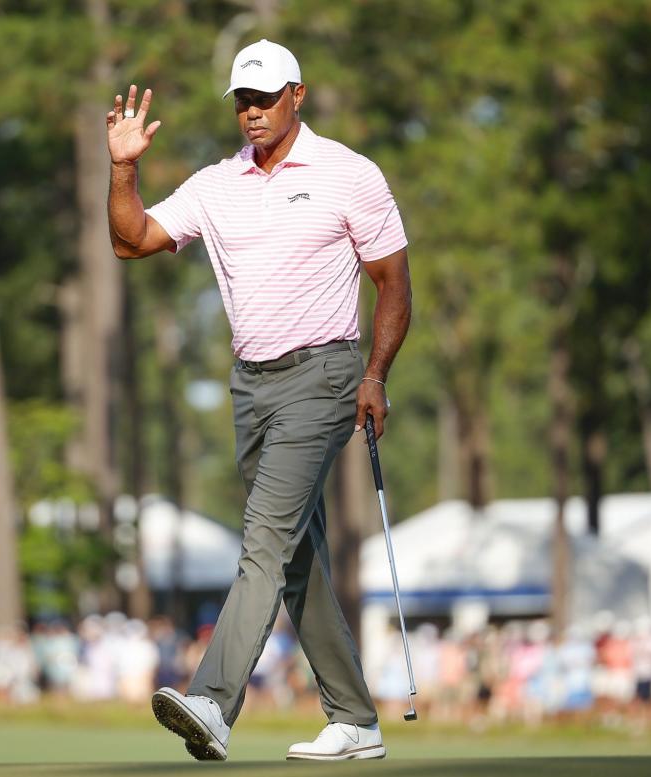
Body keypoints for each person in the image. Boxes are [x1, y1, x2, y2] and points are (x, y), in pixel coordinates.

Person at [107, 38, 410, 762]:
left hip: (326, 376)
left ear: (296, 95)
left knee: (264, 539)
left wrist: (375, 374)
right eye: (242, 101)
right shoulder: (217, 185)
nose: (252, 113)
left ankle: (212, 701)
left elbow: (394, 284)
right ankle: (355, 718)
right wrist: (123, 168)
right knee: (295, 556)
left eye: (265, 98)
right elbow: (133, 240)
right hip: (252, 385)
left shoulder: (349, 174)